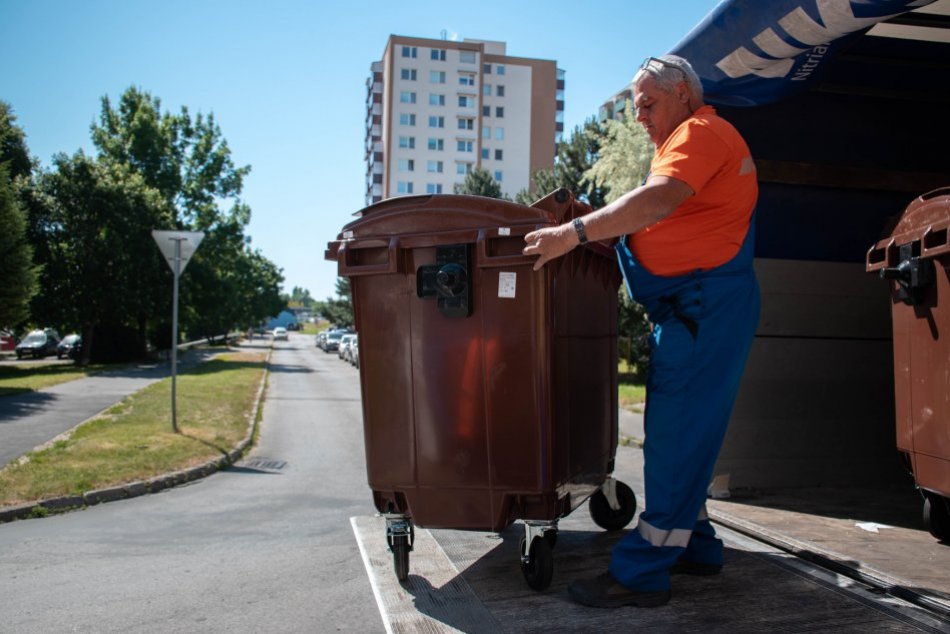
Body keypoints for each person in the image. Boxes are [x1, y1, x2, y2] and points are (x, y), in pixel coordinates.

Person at [523, 55, 760, 608]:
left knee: (675, 439)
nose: (640, 118)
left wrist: (574, 233)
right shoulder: (697, 137)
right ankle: (696, 544)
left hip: (702, 308)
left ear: (683, 93)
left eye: (648, 104)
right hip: (699, 309)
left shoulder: (700, 132)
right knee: (687, 436)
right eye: (636, 108)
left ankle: (643, 570)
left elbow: (655, 201)